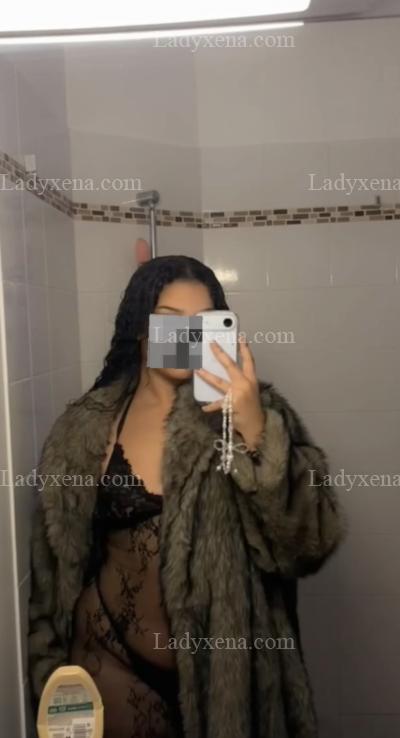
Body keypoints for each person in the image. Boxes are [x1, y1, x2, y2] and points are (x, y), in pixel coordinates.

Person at [27, 254, 347, 738]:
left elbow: (309, 545)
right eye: (170, 321)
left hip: (229, 681)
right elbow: (53, 568)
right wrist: (49, 672)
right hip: (107, 660)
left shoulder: (255, 411)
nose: (188, 336)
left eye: (201, 323)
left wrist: (255, 428)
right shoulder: (85, 425)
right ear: (140, 328)